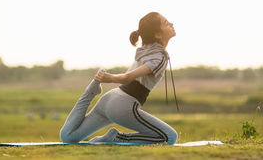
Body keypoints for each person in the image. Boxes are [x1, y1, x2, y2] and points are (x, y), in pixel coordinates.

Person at [59, 12, 178, 144]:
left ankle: (91, 91)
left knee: (68, 137)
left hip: (109, 99)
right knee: (170, 137)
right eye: (166, 23)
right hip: (123, 105)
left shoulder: (145, 49)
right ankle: (116, 137)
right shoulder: (158, 57)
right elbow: (127, 77)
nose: (171, 24)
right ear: (157, 34)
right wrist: (110, 78)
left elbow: (130, 75)